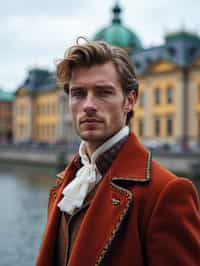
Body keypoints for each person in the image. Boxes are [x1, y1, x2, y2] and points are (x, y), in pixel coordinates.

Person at [36, 38, 200, 266]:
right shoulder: (64, 182)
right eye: (78, 94)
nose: (88, 105)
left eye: (103, 92)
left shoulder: (166, 192)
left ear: (129, 101)